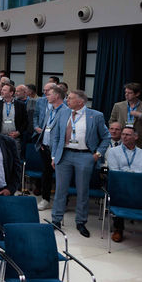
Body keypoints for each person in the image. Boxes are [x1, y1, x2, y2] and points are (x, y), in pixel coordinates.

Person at [49, 90, 111, 237]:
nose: (67, 100)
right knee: (60, 189)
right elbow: (55, 135)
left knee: (82, 190)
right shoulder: (63, 113)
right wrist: (54, 156)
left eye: (70, 98)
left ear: (80, 101)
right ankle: (56, 220)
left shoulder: (96, 116)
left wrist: (97, 154)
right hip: (64, 155)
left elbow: (106, 137)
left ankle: (81, 222)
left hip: (85, 155)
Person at [104, 126, 142, 242]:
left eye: (128, 135)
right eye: (123, 134)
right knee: (119, 193)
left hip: (139, 187)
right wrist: (136, 176)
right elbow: (115, 172)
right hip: (121, 185)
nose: (124, 137)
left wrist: (133, 178)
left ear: (135, 137)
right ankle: (118, 229)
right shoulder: (113, 151)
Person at [0, 82, 30, 157]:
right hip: (0, 136)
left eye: (4, 90)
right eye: (2, 90)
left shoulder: (20, 105)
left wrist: (19, 132)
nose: (2, 91)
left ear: (11, 93)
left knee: (15, 158)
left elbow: (25, 121)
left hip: (15, 138)